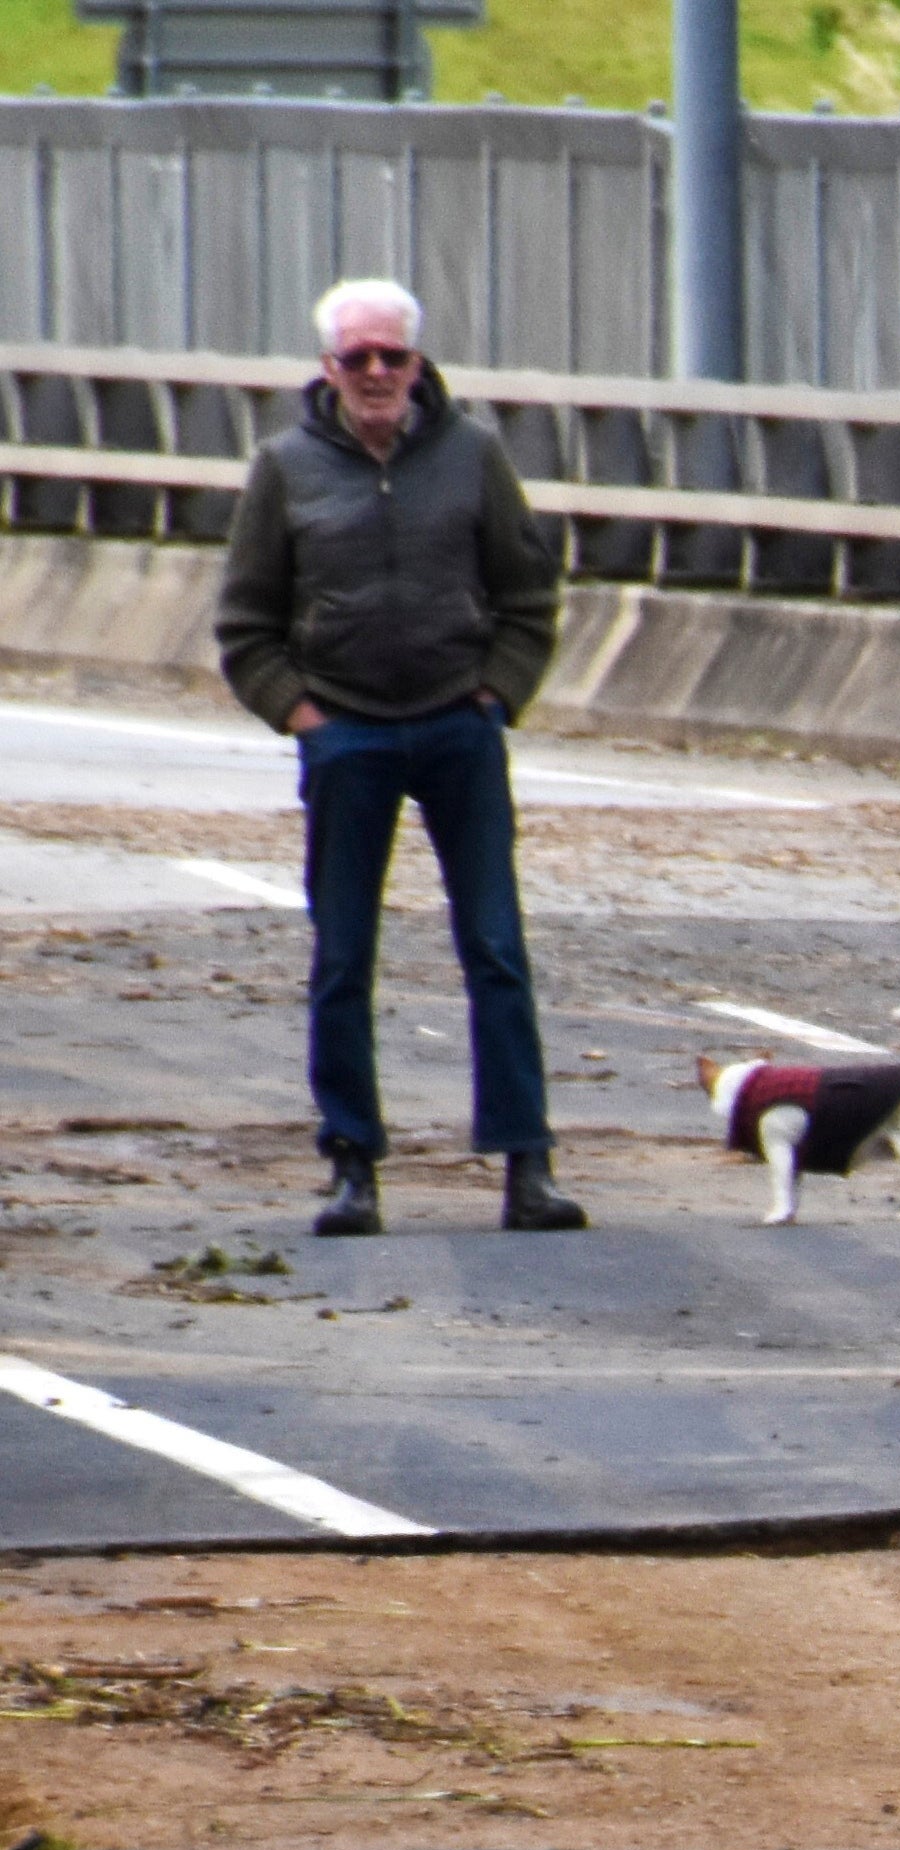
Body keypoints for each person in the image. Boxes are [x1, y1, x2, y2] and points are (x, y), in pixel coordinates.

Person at [213, 277, 573, 1240]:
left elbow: (529, 595)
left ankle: (525, 1161)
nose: (377, 374)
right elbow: (245, 625)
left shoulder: (474, 456)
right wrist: (303, 716)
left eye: (394, 357)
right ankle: (353, 1164)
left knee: (494, 944)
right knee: (342, 956)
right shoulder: (286, 469)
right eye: (358, 358)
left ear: (418, 364)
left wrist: (497, 692)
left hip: (459, 723)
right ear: (328, 368)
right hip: (349, 735)